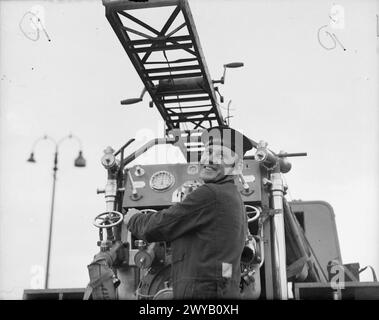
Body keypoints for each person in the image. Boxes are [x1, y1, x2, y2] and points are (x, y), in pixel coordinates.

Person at [124, 126, 253, 299]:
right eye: (208, 152)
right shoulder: (234, 198)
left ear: (237, 167)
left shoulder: (211, 194)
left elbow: (160, 225)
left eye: (221, 155)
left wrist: (134, 219)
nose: (210, 159)